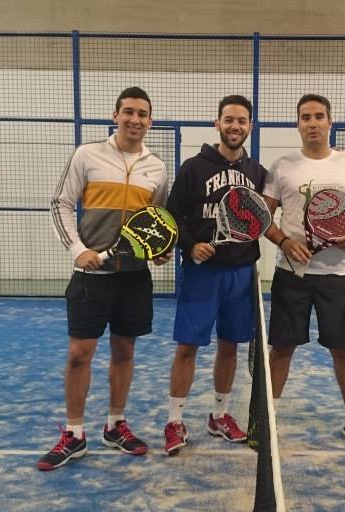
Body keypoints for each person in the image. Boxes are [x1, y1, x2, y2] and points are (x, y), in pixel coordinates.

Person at [39, 87, 170, 470]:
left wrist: (157, 251)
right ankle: (74, 433)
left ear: (150, 121)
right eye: (128, 112)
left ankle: (115, 425)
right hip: (90, 275)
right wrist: (77, 249)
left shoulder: (157, 168)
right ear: (115, 116)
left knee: (124, 351)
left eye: (142, 114)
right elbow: (61, 203)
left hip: (134, 278)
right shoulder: (87, 155)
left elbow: (155, 221)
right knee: (79, 354)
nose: (135, 119)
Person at [262, 94, 345, 449]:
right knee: (282, 349)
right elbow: (262, 216)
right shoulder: (283, 166)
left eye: (318, 116)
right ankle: (267, 420)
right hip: (291, 275)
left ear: (330, 122)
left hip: (337, 276)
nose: (312, 123)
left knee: (342, 349)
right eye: (305, 117)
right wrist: (284, 242)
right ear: (297, 124)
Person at [161, 95, 268, 456]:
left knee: (230, 345)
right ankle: (174, 420)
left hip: (241, 272)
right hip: (201, 273)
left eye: (242, 120)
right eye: (229, 119)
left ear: (250, 126)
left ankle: (219, 415)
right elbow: (173, 216)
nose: (235, 126)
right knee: (188, 345)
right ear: (217, 123)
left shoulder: (258, 173)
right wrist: (190, 245)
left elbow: (260, 219)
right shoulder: (193, 168)